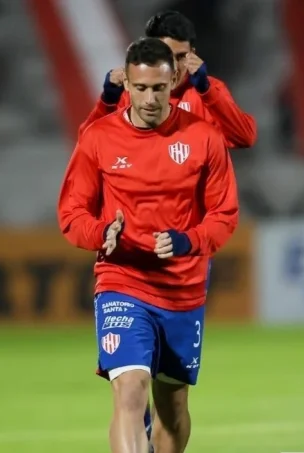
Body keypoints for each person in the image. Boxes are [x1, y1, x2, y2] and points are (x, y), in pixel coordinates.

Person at [58, 37, 239, 453]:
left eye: (158, 88)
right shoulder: (98, 138)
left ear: (173, 80)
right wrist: (101, 233)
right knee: (129, 392)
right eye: (140, 88)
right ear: (128, 85)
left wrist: (187, 241)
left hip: (182, 291)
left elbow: (224, 215)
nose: (150, 98)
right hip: (123, 281)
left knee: (172, 411)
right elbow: (72, 213)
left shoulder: (204, 137)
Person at [78, 10, 256, 150]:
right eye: (167, 57)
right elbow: (88, 144)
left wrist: (207, 91)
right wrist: (107, 102)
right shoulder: (131, 93)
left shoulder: (208, 92)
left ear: (192, 54)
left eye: (181, 57)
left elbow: (244, 137)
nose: (175, 67)